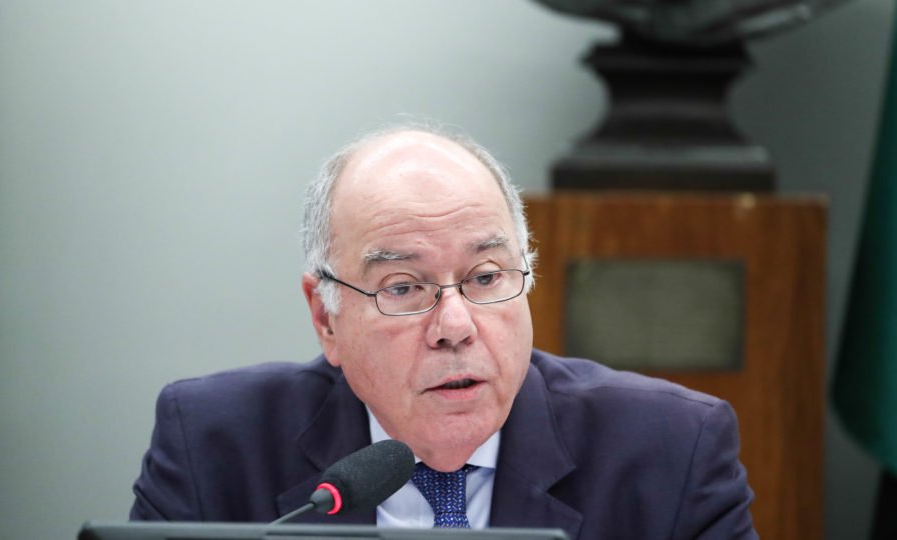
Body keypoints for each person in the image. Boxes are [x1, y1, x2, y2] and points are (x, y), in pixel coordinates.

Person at [130, 124, 757, 539]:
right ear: (326, 317)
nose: (455, 327)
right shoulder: (214, 446)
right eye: (404, 287)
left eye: (485, 277)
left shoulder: (672, 450)